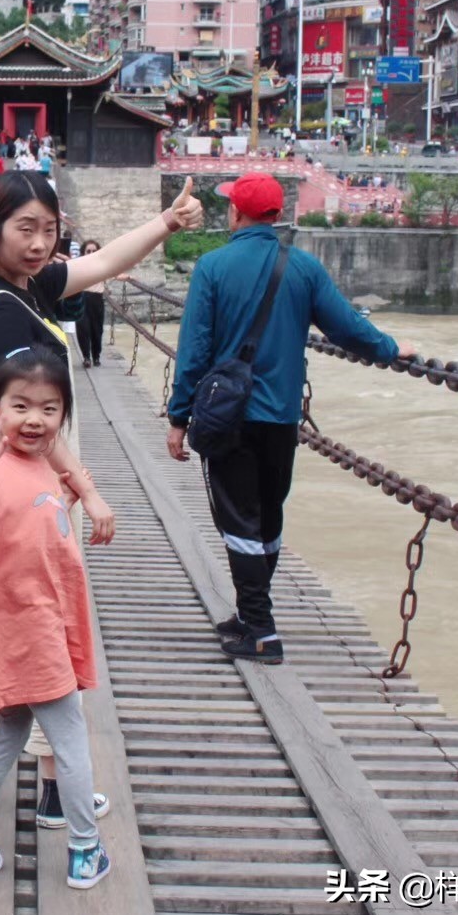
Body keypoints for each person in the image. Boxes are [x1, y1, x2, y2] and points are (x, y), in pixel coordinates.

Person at [0, 169, 204, 820]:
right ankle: (54, 788)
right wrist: (86, 485)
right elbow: (31, 420)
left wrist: (165, 223)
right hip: (20, 484)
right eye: (24, 227)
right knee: (34, 612)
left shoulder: (30, 288)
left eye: (48, 229)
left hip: (25, 477)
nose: (38, 242)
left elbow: (105, 261)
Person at [165, 172, 415, 665]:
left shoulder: (212, 267)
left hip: (229, 417)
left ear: (235, 214)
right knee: (267, 518)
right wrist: (390, 349)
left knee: (238, 519)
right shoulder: (303, 268)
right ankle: (249, 614)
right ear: (277, 217)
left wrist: (179, 416)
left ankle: (260, 630)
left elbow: (193, 350)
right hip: (280, 417)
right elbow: (346, 327)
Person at [0, 346, 110, 890]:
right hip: (30, 636)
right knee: (71, 740)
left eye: (50, 408)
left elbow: (39, 527)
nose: (35, 419)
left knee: (6, 733)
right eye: (20, 406)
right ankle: (85, 848)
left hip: (31, 629)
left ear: (63, 416)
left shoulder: (38, 468)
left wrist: (84, 494)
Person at [74, 240, 105, 368]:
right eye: (88, 251)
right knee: (82, 329)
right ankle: (86, 357)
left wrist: (129, 278)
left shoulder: (104, 266)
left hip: (97, 300)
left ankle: (96, 356)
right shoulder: (77, 265)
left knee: (97, 330)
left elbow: (116, 273)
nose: (91, 253)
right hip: (81, 299)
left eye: (94, 251)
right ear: (83, 252)